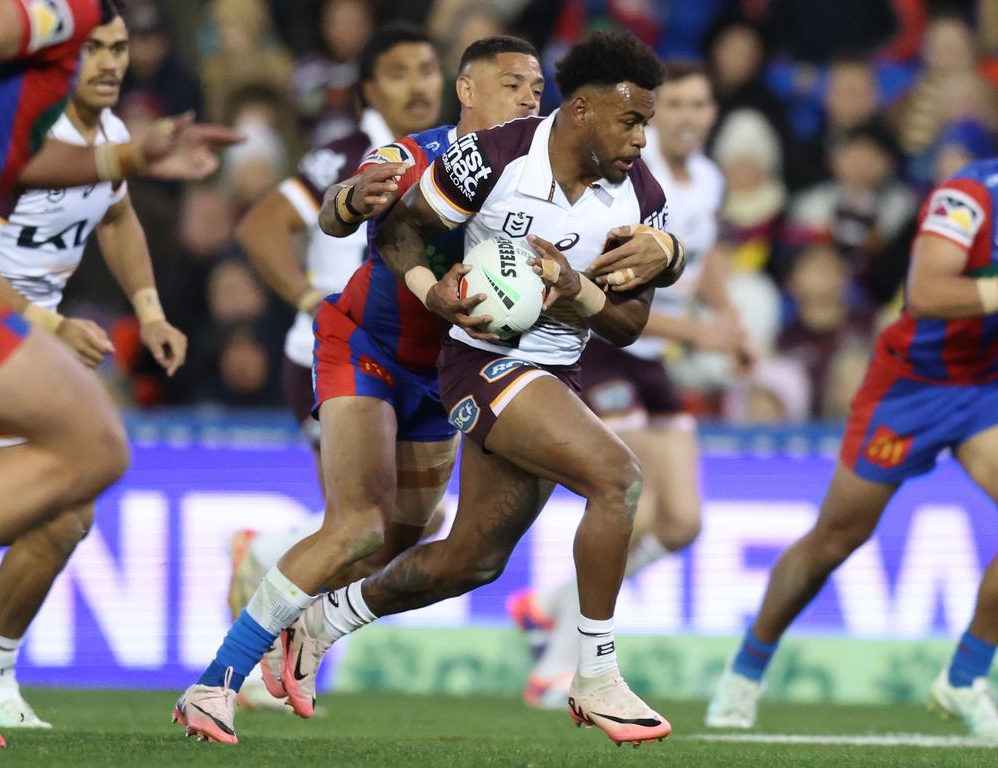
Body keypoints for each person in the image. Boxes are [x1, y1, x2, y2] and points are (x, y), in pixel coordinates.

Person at [221, 30, 683, 750]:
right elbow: (402, 229)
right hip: (482, 361)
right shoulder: (493, 156)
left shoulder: (642, 196)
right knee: (616, 479)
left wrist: (575, 290)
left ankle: (325, 621)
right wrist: (429, 291)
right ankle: (594, 676)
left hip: (558, 371)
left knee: (473, 557)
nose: (641, 138)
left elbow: (627, 323)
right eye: (631, 121)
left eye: (647, 123)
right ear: (585, 110)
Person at [172, 34, 545, 744]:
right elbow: (344, 204)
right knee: (359, 526)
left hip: (442, 379)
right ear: (467, 90)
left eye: (536, 86)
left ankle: (299, 623)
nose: (530, 95)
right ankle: (214, 684)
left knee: (411, 534)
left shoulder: (538, 181)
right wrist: (349, 200)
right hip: (362, 347)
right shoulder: (415, 153)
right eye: (513, 82)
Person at [0, 0, 237, 748]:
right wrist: (48, 323)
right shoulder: (18, 124)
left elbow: (116, 217)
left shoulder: (113, 133)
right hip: (1, 330)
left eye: (120, 48)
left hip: (17, 340)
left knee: (68, 510)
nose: (110, 62)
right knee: (69, 495)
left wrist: (150, 310)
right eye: (93, 48)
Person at [706, 159, 998, 741]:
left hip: (986, 389)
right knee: (835, 539)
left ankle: (966, 675)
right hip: (911, 389)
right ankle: (746, 668)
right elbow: (927, 290)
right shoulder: (970, 195)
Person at [508, 60, 746, 707]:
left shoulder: (708, 179)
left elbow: (707, 246)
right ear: (654, 115)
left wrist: (727, 317)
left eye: (703, 105)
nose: (693, 117)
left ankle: (547, 606)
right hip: (610, 350)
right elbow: (608, 299)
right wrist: (700, 334)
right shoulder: (633, 182)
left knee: (684, 522)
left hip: (655, 361)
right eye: (682, 107)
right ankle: (558, 667)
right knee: (628, 502)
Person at [230, 21, 444, 710]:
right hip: (338, 352)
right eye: (401, 71)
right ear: (370, 88)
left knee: (410, 527)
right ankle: (268, 589)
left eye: (428, 69)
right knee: (365, 521)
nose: (419, 84)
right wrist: (301, 294)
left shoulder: (454, 157)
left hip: (411, 359)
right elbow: (262, 224)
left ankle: (274, 567)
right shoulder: (346, 154)